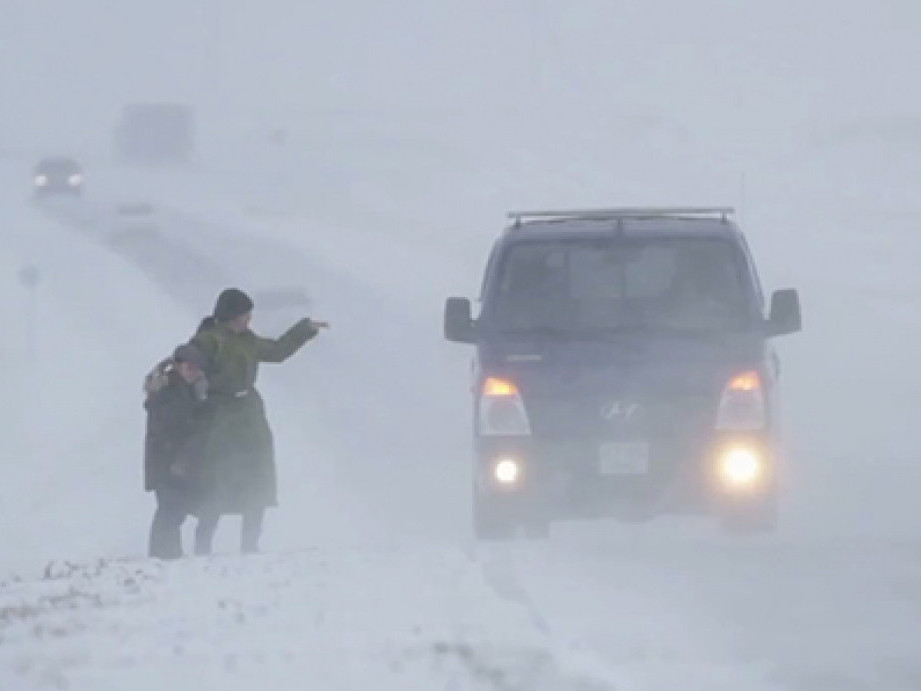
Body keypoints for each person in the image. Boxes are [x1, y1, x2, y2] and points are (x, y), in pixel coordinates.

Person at [191, 288, 329, 554]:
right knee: (217, 479)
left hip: (249, 415)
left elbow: (277, 351)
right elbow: (191, 366)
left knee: (257, 477)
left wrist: (304, 330)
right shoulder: (208, 340)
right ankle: (203, 546)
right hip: (219, 415)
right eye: (244, 314)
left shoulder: (248, 340)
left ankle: (250, 544)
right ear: (231, 315)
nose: (248, 319)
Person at [144, 343, 209, 560]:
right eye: (190, 367)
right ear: (178, 366)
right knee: (170, 509)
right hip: (168, 460)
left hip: (179, 460)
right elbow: (170, 427)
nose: (195, 372)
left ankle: (168, 554)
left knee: (175, 509)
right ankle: (162, 555)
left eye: (198, 368)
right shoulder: (169, 392)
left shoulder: (187, 390)